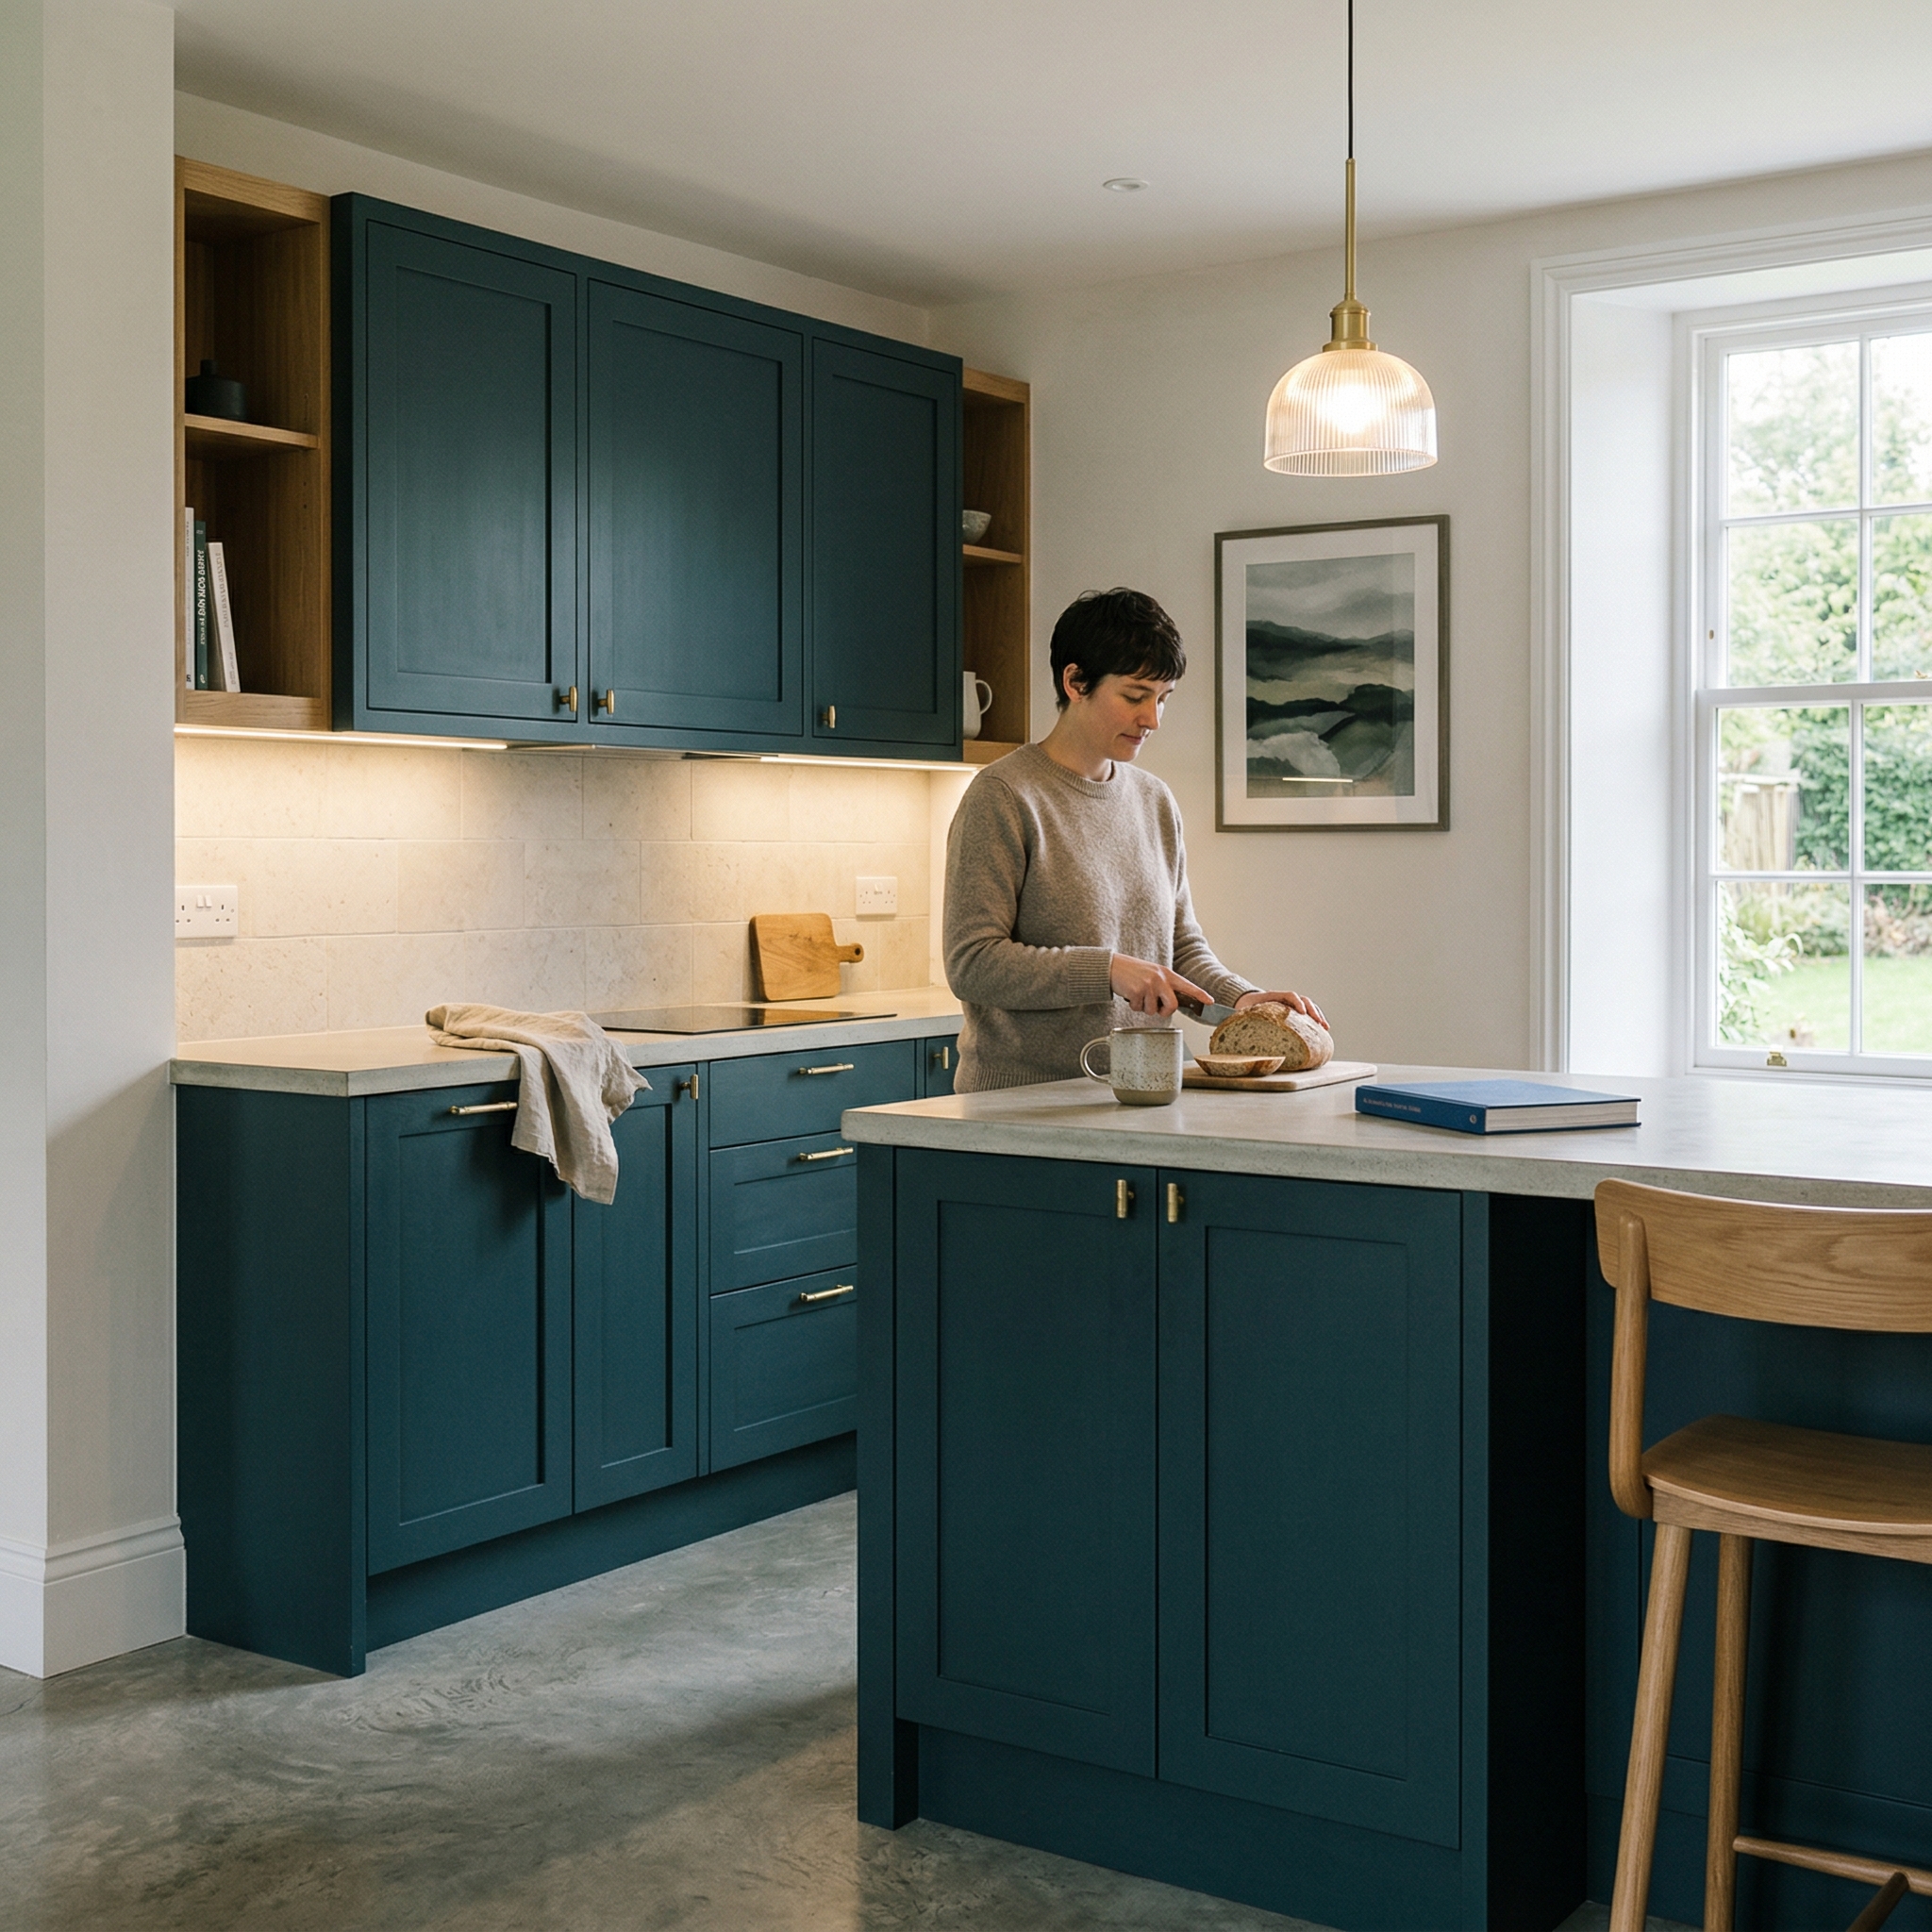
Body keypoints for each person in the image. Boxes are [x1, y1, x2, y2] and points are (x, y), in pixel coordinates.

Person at [943, 586, 1326, 1093]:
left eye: (1162, 699)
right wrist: (1107, 970)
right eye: (1134, 696)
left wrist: (1241, 999)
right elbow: (973, 963)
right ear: (1076, 681)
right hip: (1025, 1098)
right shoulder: (1004, 795)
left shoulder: (1154, 800)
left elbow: (1179, 947)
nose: (1153, 719)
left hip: (1144, 1089)